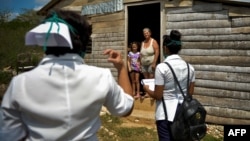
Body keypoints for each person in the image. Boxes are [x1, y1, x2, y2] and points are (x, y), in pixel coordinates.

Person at [0, 9, 134, 141]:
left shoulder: (20, 83)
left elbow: (8, 135)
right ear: (83, 42)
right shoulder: (101, 77)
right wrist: (121, 67)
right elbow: (125, 109)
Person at [143, 30, 195, 141]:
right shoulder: (190, 68)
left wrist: (146, 89)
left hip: (165, 114)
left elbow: (158, 95)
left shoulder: (162, 68)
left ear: (165, 48)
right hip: (184, 114)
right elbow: (190, 94)